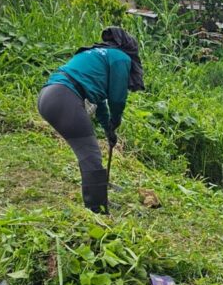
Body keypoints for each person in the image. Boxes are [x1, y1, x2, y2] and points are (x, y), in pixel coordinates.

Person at [37, 27, 144, 213]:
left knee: (88, 152)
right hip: (65, 97)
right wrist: (116, 120)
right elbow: (117, 98)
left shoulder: (98, 54)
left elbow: (100, 101)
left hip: (49, 94)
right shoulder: (121, 58)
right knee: (90, 154)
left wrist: (108, 128)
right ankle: (97, 209)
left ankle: (99, 198)